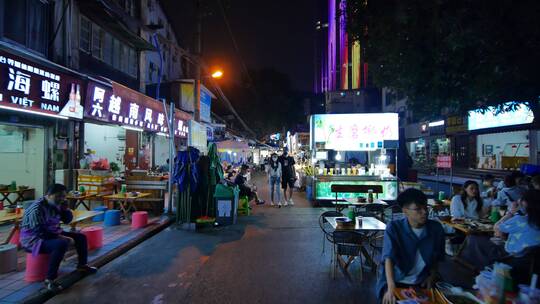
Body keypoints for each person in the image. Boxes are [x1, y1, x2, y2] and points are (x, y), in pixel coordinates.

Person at [20, 184, 97, 291]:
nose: (61, 199)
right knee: (61, 244)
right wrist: (61, 237)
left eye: (63, 196)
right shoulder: (37, 208)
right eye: (58, 196)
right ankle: (50, 280)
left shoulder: (57, 204)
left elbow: (67, 220)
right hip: (34, 239)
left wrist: (65, 209)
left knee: (81, 237)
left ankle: (82, 265)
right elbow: (40, 231)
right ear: (48, 195)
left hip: (51, 233)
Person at [378, 189, 445, 304]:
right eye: (418, 209)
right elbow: (388, 258)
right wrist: (391, 288)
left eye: (425, 207)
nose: (424, 212)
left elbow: (436, 257)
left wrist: (432, 276)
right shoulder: (394, 228)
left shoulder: (436, 229)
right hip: (397, 280)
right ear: (405, 211)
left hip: (422, 281)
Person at [459, 189, 540, 270]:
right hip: (527, 260)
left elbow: (497, 227)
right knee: (495, 239)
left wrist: (511, 213)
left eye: (522, 199)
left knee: (472, 238)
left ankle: (482, 267)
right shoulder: (534, 220)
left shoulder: (522, 220)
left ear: (527, 203)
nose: (519, 200)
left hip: (510, 257)